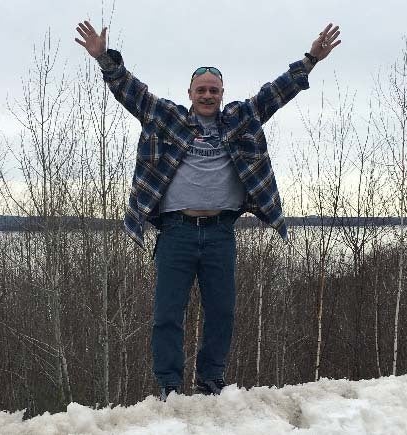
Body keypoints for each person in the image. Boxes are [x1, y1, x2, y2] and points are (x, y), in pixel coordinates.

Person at [75, 20, 341, 401]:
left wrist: (312, 58)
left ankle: (209, 383)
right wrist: (103, 57)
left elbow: (275, 93)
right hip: (176, 233)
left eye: (213, 90)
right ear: (189, 92)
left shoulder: (240, 119)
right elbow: (131, 91)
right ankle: (169, 387)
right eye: (201, 89)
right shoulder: (166, 117)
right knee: (167, 315)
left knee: (222, 314)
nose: (207, 95)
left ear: (221, 93)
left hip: (220, 234)